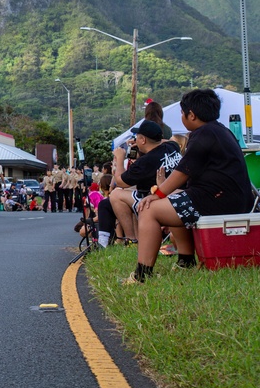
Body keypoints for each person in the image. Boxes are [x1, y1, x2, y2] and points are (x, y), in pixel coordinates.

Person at [125, 89, 256, 283]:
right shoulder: (219, 130)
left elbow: (183, 171)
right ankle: (185, 261)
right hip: (233, 198)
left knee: (149, 209)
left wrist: (158, 193)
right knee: (174, 199)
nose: (182, 117)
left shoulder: (202, 134)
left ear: (191, 115)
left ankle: (142, 274)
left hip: (217, 199)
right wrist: (166, 193)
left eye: (182, 113)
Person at [110, 120, 183, 242]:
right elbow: (163, 142)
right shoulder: (172, 146)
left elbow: (120, 181)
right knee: (133, 192)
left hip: (158, 199)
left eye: (137, 137)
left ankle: (131, 239)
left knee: (116, 195)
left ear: (143, 139)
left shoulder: (145, 162)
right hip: (180, 193)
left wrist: (119, 157)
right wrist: (142, 146)